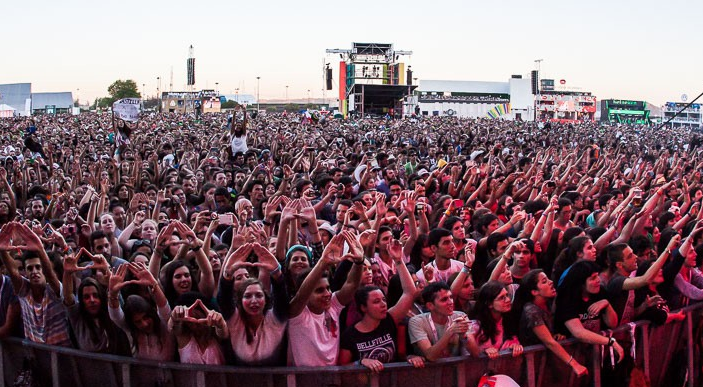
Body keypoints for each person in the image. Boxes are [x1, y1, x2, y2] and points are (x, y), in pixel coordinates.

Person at [339, 239, 422, 371]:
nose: (383, 304)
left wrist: (399, 260)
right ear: (363, 307)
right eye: (376, 302)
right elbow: (341, 367)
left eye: (384, 300)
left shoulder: (389, 320)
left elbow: (410, 293)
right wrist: (360, 362)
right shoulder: (349, 335)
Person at [288, 231, 363, 366]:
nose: (327, 294)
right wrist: (323, 262)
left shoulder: (332, 307)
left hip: (332, 380)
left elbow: (351, 285)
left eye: (328, 288)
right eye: (319, 290)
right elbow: (300, 296)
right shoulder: (297, 315)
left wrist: (359, 262)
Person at [0, 222, 72, 346]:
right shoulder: (24, 292)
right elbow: (13, 272)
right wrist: (2, 252)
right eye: (30, 268)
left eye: (38, 267)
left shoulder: (54, 291)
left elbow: (50, 275)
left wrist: (40, 249)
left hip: (62, 360)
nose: (34, 272)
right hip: (37, 360)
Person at [218, 243, 289, 366]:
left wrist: (277, 273)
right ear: (239, 300)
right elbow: (223, 300)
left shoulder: (275, 319)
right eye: (248, 296)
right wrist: (228, 273)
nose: (254, 301)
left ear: (266, 299)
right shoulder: (235, 320)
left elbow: (281, 296)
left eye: (259, 295)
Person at [511, 269, 587, 377]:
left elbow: (548, 337)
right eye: (544, 281)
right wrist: (575, 364)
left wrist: (555, 336)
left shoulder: (548, 303)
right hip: (529, 369)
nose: (551, 282)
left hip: (543, 365)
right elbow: (549, 342)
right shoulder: (531, 311)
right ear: (534, 292)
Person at [408, 282, 480, 361]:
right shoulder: (417, 322)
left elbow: (475, 353)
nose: (451, 302)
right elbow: (430, 356)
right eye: (444, 299)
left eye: (451, 297)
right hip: (428, 371)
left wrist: (464, 336)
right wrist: (450, 331)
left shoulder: (460, 316)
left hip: (454, 370)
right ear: (430, 306)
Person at [169, 292, 228, 365]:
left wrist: (221, 323)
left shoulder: (215, 333)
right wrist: (174, 317)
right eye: (189, 320)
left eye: (197, 317)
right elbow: (172, 328)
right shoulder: (183, 336)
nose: (194, 323)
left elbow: (224, 333)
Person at [468, 281, 523, 359]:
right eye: (501, 298)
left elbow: (512, 339)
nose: (507, 300)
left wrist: (514, 346)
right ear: (489, 304)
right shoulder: (475, 326)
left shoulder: (508, 320)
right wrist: (483, 351)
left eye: (507, 295)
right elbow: (470, 352)